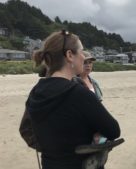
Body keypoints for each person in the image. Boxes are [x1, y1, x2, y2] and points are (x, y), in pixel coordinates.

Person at [24, 30, 120, 169]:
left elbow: (27, 129)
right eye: (81, 52)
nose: (83, 57)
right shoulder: (78, 93)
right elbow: (113, 130)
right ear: (69, 55)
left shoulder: (35, 92)